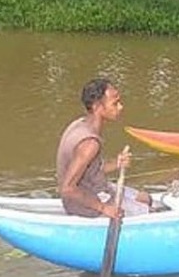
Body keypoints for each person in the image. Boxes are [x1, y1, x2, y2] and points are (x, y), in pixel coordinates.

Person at [56, 78, 152, 218]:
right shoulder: (89, 143)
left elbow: (91, 170)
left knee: (146, 198)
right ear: (97, 107)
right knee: (148, 212)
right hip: (85, 205)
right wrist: (104, 208)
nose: (120, 107)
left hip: (97, 189)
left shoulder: (80, 124)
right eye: (115, 103)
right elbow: (67, 189)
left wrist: (117, 163)